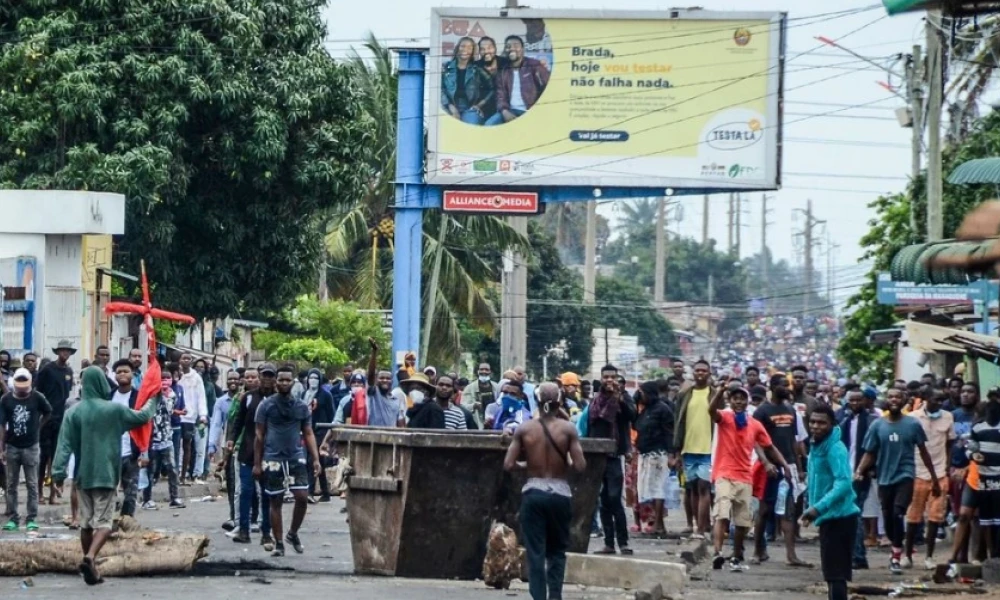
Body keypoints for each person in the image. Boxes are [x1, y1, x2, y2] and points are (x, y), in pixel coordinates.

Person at [51, 366, 157, 585]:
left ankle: (91, 566)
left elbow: (63, 446)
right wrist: (153, 396)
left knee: (86, 523)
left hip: (82, 475)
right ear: (102, 383)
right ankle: (90, 557)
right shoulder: (114, 410)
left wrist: (58, 474)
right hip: (107, 473)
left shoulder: (74, 412)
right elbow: (143, 416)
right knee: (105, 523)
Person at [503, 382, 586, 600]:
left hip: (534, 492)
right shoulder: (568, 429)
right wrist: (564, 462)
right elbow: (580, 466)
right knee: (557, 551)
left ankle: (538, 597)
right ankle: (555, 596)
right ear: (560, 403)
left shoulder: (525, 429)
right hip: (560, 494)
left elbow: (508, 465)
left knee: (535, 552)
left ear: (537, 402)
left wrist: (527, 465)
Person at [855, 387, 941, 574]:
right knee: (887, 516)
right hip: (885, 477)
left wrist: (934, 478)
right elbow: (870, 452)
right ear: (887, 400)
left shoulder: (912, 424)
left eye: (898, 396)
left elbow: (924, 452)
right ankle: (895, 548)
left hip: (906, 474)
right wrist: (860, 470)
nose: (894, 399)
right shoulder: (877, 425)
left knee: (897, 512)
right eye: (891, 396)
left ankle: (896, 555)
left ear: (904, 401)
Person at [710, 381, 788, 571]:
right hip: (724, 473)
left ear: (747, 402)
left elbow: (769, 447)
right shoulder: (725, 418)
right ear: (730, 400)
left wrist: (785, 465)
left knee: (742, 521)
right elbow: (711, 411)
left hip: (745, 475)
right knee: (722, 513)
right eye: (735, 398)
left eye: (742, 399)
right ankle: (717, 553)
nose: (738, 402)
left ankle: (736, 555)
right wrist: (719, 392)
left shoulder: (754, 424)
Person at [253, 365, 321, 557]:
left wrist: (315, 459)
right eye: (281, 379)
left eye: (287, 380)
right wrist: (257, 464)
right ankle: (279, 542)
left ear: (293, 382)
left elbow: (308, 433)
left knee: (302, 497)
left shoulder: (301, 407)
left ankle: (293, 533)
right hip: (272, 458)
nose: (284, 383)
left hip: (295, 457)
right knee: (276, 500)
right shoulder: (266, 406)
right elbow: (259, 435)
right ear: (276, 381)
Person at [801, 404, 860, 600]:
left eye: (821, 423)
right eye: (813, 422)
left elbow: (843, 483)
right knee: (832, 574)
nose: (816, 426)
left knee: (836, 575)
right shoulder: (816, 444)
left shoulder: (835, 448)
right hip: (829, 517)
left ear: (831, 424)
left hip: (840, 517)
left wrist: (817, 508)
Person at [752, 372, 809, 566]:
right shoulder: (762, 412)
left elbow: (794, 441)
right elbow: (755, 441)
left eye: (788, 385)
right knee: (765, 509)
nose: (788, 388)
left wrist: (799, 468)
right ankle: (758, 549)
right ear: (773, 386)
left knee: (789, 510)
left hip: (789, 466)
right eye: (784, 385)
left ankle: (791, 555)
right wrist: (766, 463)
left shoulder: (791, 410)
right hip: (769, 467)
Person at [904, 390, 955, 570]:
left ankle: (929, 557)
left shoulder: (948, 417)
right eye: (936, 399)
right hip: (917, 471)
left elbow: (950, 443)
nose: (940, 403)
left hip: (940, 473)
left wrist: (947, 466)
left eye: (942, 400)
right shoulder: (912, 418)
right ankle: (907, 555)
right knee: (913, 516)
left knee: (935, 518)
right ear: (926, 399)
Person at [589, 364, 636, 555]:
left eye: (612, 377)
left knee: (615, 499)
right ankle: (609, 543)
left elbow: (632, 416)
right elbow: (596, 421)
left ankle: (623, 542)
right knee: (603, 500)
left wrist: (618, 398)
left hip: (615, 455)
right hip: (599, 456)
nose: (609, 380)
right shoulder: (596, 400)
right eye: (606, 377)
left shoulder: (624, 398)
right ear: (601, 379)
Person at [0, 368, 52, 531]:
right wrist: (1, 447)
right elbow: (2, 425)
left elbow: (48, 412)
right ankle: (13, 518)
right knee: (11, 484)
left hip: (31, 446)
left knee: (31, 483)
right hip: (12, 446)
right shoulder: (6, 399)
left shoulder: (37, 397)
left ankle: (31, 517)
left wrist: (38, 427)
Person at [229, 366, 274, 549]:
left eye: (270, 376)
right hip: (247, 451)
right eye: (264, 376)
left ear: (274, 379)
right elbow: (238, 421)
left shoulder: (278, 399)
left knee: (266, 494)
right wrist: (231, 439)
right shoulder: (247, 398)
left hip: (270, 453)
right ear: (259, 378)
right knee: (246, 491)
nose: (266, 380)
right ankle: (244, 530)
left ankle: (266, 532)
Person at [673, 359, 714, 540]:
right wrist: (676, 450)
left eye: (704, 371)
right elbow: (678, 422)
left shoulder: (714, 395)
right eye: (697, 370)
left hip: (709, 449)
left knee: (704, 487)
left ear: (709, 373)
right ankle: (697, 524)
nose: (700, 373)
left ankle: (701, 529)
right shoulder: (685, 395)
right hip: (688, 448)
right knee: (692, 489)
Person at [839, 388, 879, 570]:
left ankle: (858, 555)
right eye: (851, 401)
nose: (855, 404)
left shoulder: (872, 421)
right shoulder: (845, 421)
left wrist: (871, 469)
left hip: (861, 474)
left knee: (855, 513)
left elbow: (876, 448)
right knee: (849, 514)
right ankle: (856, 554)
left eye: (858, 400)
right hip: (844, 473)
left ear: (864, 401)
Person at [35, 339, 75, 505]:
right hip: (47, 418)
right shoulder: (47, 370)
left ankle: (52, 493)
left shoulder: (69, 371)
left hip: (61, 418)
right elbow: (38, 392)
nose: (65, 353)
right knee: (44, 457)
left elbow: (67, 394)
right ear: (57, 352)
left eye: (68, 351)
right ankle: (39, 492)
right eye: (62, 350)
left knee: (56, 457)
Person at [633, 380, 674, 537]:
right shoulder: (644, 410)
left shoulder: (662, 410)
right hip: (645, 453)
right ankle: (657, 523)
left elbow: (669, 433)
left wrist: (671, 454)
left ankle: (659, 524)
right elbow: (635, 424)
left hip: (658, 454)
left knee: (658, 489)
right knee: (649, 489)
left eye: (642, 393)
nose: (640, 395)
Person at [142, 371, 184, 510]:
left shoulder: (172, 395)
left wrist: (165, 394)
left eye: (168, 378)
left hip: (166, 437)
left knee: (172, 468)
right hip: (151, 438)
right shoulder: (150, 395)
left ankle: (175, 498)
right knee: (151, 470)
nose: (165, 381)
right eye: (162, 379)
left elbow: (170, 410)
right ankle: (147, 499)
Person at [487, 35, 550, 125]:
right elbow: (500, 96)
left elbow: (549, 89)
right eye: (508, 47)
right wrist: (505, 111)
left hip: (530, 111)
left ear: (523, 49)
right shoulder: (503, 71)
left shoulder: (535, 65)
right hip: (509, 111)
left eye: (516, 46)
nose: (512, 49)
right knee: (489, 124)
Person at [108, 359, 144, 519]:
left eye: (126, 371)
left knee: (130, 492)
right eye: (119, 372)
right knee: (108, 491)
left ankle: (127, 523)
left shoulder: (139, 398)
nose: (122, 374)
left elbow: (146, 425)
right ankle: (108, 524)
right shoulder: (108, 397)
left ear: (132, 374)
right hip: (110, 452)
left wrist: (145, 452)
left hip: (131, 452)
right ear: (114, 376)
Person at [441, 36, 494, 125]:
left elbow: (493, 88)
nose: (465, 49)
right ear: (458, 48)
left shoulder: (477, 69)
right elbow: (440, 89)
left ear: (472, 52)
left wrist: (479, 105)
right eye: (463, 46)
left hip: (469, 109)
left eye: (470, 48)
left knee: (471, 128)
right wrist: (451, 107)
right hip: (448, 106)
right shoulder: (446, 67)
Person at [208, 370, 238, 528]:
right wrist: (211, 445)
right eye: (230, 379)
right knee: (231, 481)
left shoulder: (245, 399)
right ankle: (233, 515)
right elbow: (216, 424)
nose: (233, 381)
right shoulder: (221, 402)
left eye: (236, 379)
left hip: (245, 445)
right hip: (228, 447)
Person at [302, 368, 334, 502]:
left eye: (316, 378)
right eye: (311, 378)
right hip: (307, 429)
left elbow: (331, 414)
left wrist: (330, 432)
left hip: (321, 430)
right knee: (318, 461)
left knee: (312, 460)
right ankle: (325, 493)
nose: (313, 381)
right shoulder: (305, 394)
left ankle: (309, 491)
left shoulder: (325, 395)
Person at [176, 353, 208, 486]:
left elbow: (201, 397)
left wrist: (202, 415)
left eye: (189, 358)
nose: (186, 360)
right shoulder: (177, 376)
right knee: (177, 447)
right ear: (180, 360)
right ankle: (177, 472)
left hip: (190, 417)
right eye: (184, 358)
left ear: (191, 361)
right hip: (177, 416)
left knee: (188, 446)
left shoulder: (196, 378)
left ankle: (185, 474)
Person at [364, 338, 404, 428]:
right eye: (381, 378)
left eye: (387, 378)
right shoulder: (374, 393)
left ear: (392, 381)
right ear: (377, 380)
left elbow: (401, 424)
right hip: (374, 439)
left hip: (391, 440)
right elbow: (370, 375)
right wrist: (374, 352)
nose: (385, 380)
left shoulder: (397, 401)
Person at [462, 363, 498, 428]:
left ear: (490, 372)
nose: (484, 371)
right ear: (478, 371)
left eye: (486, 370)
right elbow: (463, 406)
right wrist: (473, 406)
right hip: (476, 424)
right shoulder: (469, 388)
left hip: (493, 423)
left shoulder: (496, 387)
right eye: (481, 369)